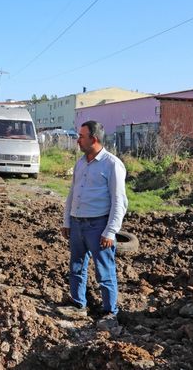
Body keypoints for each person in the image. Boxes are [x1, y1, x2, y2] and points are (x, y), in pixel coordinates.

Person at [59, 120, 128, 329]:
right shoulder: (80, 163)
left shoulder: (112, 164)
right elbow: (73, 193)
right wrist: (67, 220)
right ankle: (78, 303)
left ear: (94, 139)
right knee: (76, 266)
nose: (77, 140)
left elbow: (120, 201)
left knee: (104, 270)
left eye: (81, 136)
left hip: (98, 225)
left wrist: (110, 231)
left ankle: (110, 312)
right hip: (78, 223)